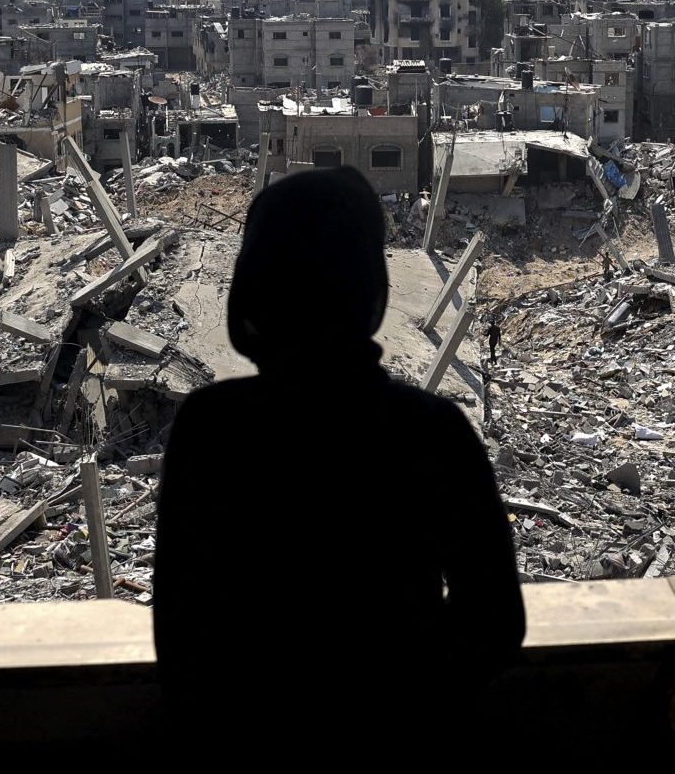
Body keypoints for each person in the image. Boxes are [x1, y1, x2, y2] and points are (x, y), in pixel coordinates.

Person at [153, 167, 525, 749]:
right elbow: (496, 621)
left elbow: (181, 632)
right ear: (372, 291)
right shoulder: (433, 433)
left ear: (252, 291)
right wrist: (411, 701)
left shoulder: (212, 429)